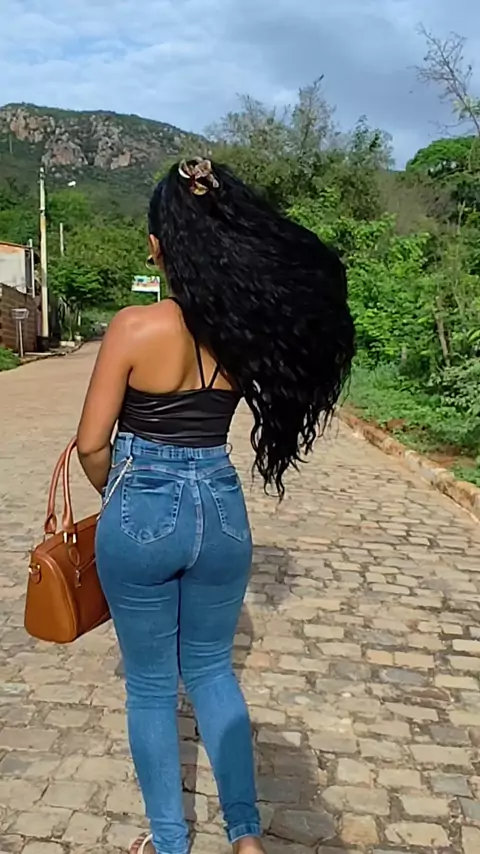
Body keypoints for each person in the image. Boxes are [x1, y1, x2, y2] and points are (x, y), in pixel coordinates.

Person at [77, 157, 355, 854]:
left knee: (150, 687)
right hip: (223, 510)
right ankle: (246, 836)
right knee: (211, 671)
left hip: (143, 505)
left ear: (157, 247)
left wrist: (120, 496)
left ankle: (170, 841)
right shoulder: (243, 330)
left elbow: (90, 444)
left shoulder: (134, 327)